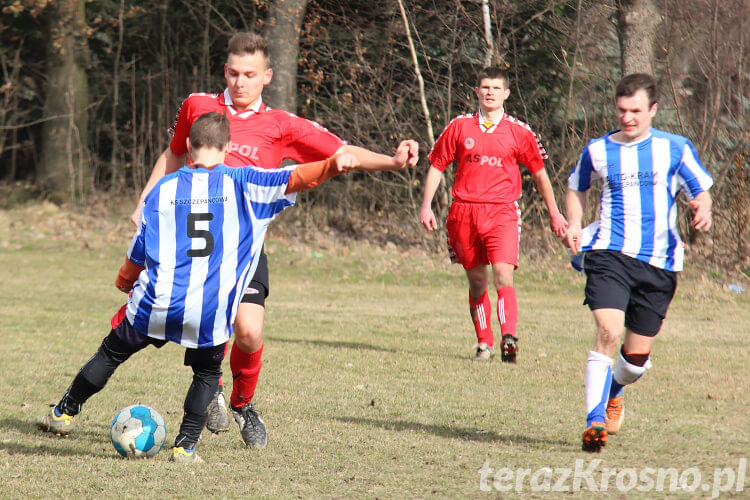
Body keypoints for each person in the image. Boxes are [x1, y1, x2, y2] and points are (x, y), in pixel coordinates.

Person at [36, 112, 415, 462]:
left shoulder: (162, 190)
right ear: (228, 149)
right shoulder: (243, 182)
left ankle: (64, 413)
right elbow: (295, 177)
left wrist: (125, 279)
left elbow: (140, 247)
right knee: (205, 375)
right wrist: (333, 165)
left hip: (158, 301)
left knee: (110, 354)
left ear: (188, 147)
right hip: (209, 310)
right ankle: (185, 448)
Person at [131, 32, 419, 447]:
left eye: (250, 74)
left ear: (267, 76)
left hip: (244, 248)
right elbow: (175, 152)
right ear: (224, 71)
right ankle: (204, 389)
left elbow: (341, 153)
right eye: (233, 73)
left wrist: (391, 162)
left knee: (248, 333)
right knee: (195, 322)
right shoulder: (199, 106)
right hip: (193, 243)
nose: (239, 82)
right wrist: (146, 201)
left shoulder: (281, 125)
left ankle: (243, 405)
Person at [565, 73, 713, 453]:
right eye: (621, 110)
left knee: (634, 361)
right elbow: (576, 186)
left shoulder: (675, 148)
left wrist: (702, 209)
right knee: (607, 332)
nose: (627, 118)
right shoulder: (598, 150)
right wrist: (574, 225)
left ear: (652, 110)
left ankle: (616, 389)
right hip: (608, 253)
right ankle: (594, 422)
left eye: (635, 111)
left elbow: (701, 191)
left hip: (659, 263)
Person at [420, 67, 567, 362]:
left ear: (506, 94)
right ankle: (484, 343)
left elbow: (539, 174)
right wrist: (426, 205)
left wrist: (554, 212)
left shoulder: (519, 131)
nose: (490, 92)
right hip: (464, 212)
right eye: (485, 87)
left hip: (502, 212)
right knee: (477, 282)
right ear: (477, 91)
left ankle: (508, 339)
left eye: (496, 88)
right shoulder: (459, 126)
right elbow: (437, 165)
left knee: (502, 274)